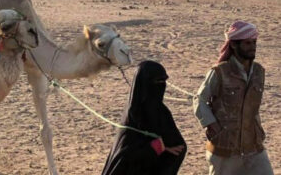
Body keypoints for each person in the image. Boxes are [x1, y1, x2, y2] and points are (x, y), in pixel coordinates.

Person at [193, 21, 274, 175]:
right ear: (234, 45)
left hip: (253, 146)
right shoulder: (220, 72)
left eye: (254, 42)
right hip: (225, 147)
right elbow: (199, 99)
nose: (253, 46)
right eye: (247, 43)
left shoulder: (259, 72)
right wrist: (212, 126)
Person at [102, 60, 187, 175]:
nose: (162, 85)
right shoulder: (133, 113)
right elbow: (124, 157)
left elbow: (178, 146)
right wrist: (157, 147)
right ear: (143, 83)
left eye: (163, 81)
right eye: (157, 81)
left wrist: (164, 146)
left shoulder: (161, 112)